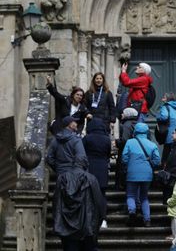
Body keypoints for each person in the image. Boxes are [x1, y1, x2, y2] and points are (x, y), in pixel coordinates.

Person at [47, 116, 106, 250]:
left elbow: (49, 158)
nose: (76, 123)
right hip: (77, 177)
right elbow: (98, 203)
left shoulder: (56, 140)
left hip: (62, 176)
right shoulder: (76, 140)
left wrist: (59, 169)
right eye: (74, 122)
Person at [122, 122, 161, 227]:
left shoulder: (130, 142)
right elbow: (157, 161)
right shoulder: (152, 144)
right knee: (144, 197)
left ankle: (132, 212)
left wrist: (128, 165)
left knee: (130, 195)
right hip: (147, 175)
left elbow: (124, 158)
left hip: (132, 173)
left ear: (136, 131)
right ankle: (147, 219)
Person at [82, 118, 111, 228]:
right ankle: (103, 218)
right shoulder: (106, 139)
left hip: (89, 168)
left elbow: (82, 153)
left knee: (88, 194)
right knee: (102, 195)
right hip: (102, 168)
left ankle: (89, 218)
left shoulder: (87, 139)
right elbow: (108, 154)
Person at [115, 107, 138, 191]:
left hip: (125, 152)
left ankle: (121, 186)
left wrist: (117, 142)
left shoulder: (126, 125)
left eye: (123, 113)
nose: (122, 115)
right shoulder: (138, 124)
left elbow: (124, 140)